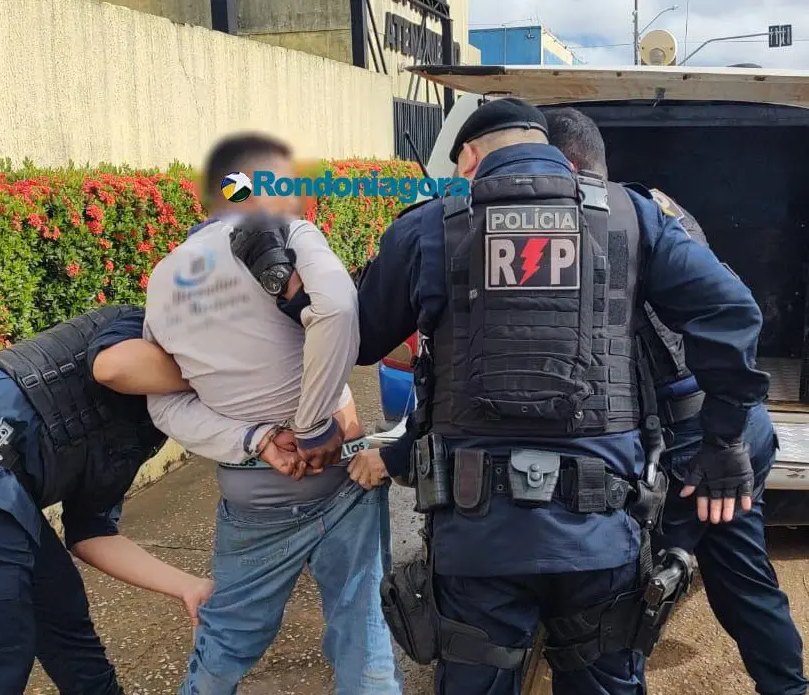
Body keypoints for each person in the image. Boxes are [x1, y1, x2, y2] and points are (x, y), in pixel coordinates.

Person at [264, 97, 768, 695]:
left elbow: (357, 334)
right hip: (599, 533)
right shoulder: (630, 216)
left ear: (469, 158)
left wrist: (287, 288)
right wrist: (724, 440)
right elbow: (731, 311)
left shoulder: (428, 226)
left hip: (477, 536)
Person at [545, 105, 807, 695]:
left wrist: (719, 442)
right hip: (729, 429)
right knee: (741, 577)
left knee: (626, 595)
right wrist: (730, 438)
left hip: (693, 441)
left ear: (566, 166)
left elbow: (731, 312)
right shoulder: (653, 207)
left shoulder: (597, 225)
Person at [130, 133, 402, 695]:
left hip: (253, 496)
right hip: (340, 481)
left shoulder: (164, 277)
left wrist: (255, 438)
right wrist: (313, 425)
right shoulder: (290, 235)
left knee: (225, 643)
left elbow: (165, 403)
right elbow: (336, 309)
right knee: (362, 637)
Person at [0, 305, 219, 695]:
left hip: (2, 485)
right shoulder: (143, 325)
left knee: (61, 612)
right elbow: (114, 367)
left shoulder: (144, 429)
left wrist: (188, 586)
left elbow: (92, 532)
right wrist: (221, 381)